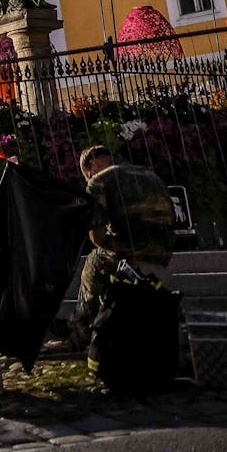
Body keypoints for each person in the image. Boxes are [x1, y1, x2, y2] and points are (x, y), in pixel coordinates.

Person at [69, 145, 175, 345]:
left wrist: (110, 243)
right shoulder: (149, 174)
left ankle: (81, 330)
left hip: (131, 250)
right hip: (164, 250)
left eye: (86, 174)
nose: (87, 178)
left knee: (93, 263)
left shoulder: (98, 181)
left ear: (90, 165)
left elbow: (97, 234)